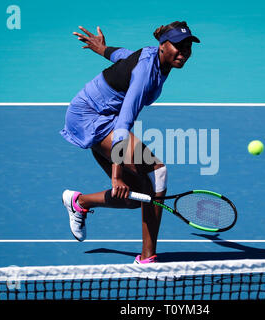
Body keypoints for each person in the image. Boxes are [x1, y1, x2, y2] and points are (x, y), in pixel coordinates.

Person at [60, 21, 200, 264]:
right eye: (178, 46)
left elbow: (124, 56)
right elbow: (123, 125)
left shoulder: (154, 57)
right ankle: (148, 259)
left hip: (105, 117)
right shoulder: (145, 75)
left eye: (187, 47)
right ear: (163, 45)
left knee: (136, 198)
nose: (183, 52)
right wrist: (117, 176)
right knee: (158, 172)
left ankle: (78, 202)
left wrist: (102, 49)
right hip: (90, 117)